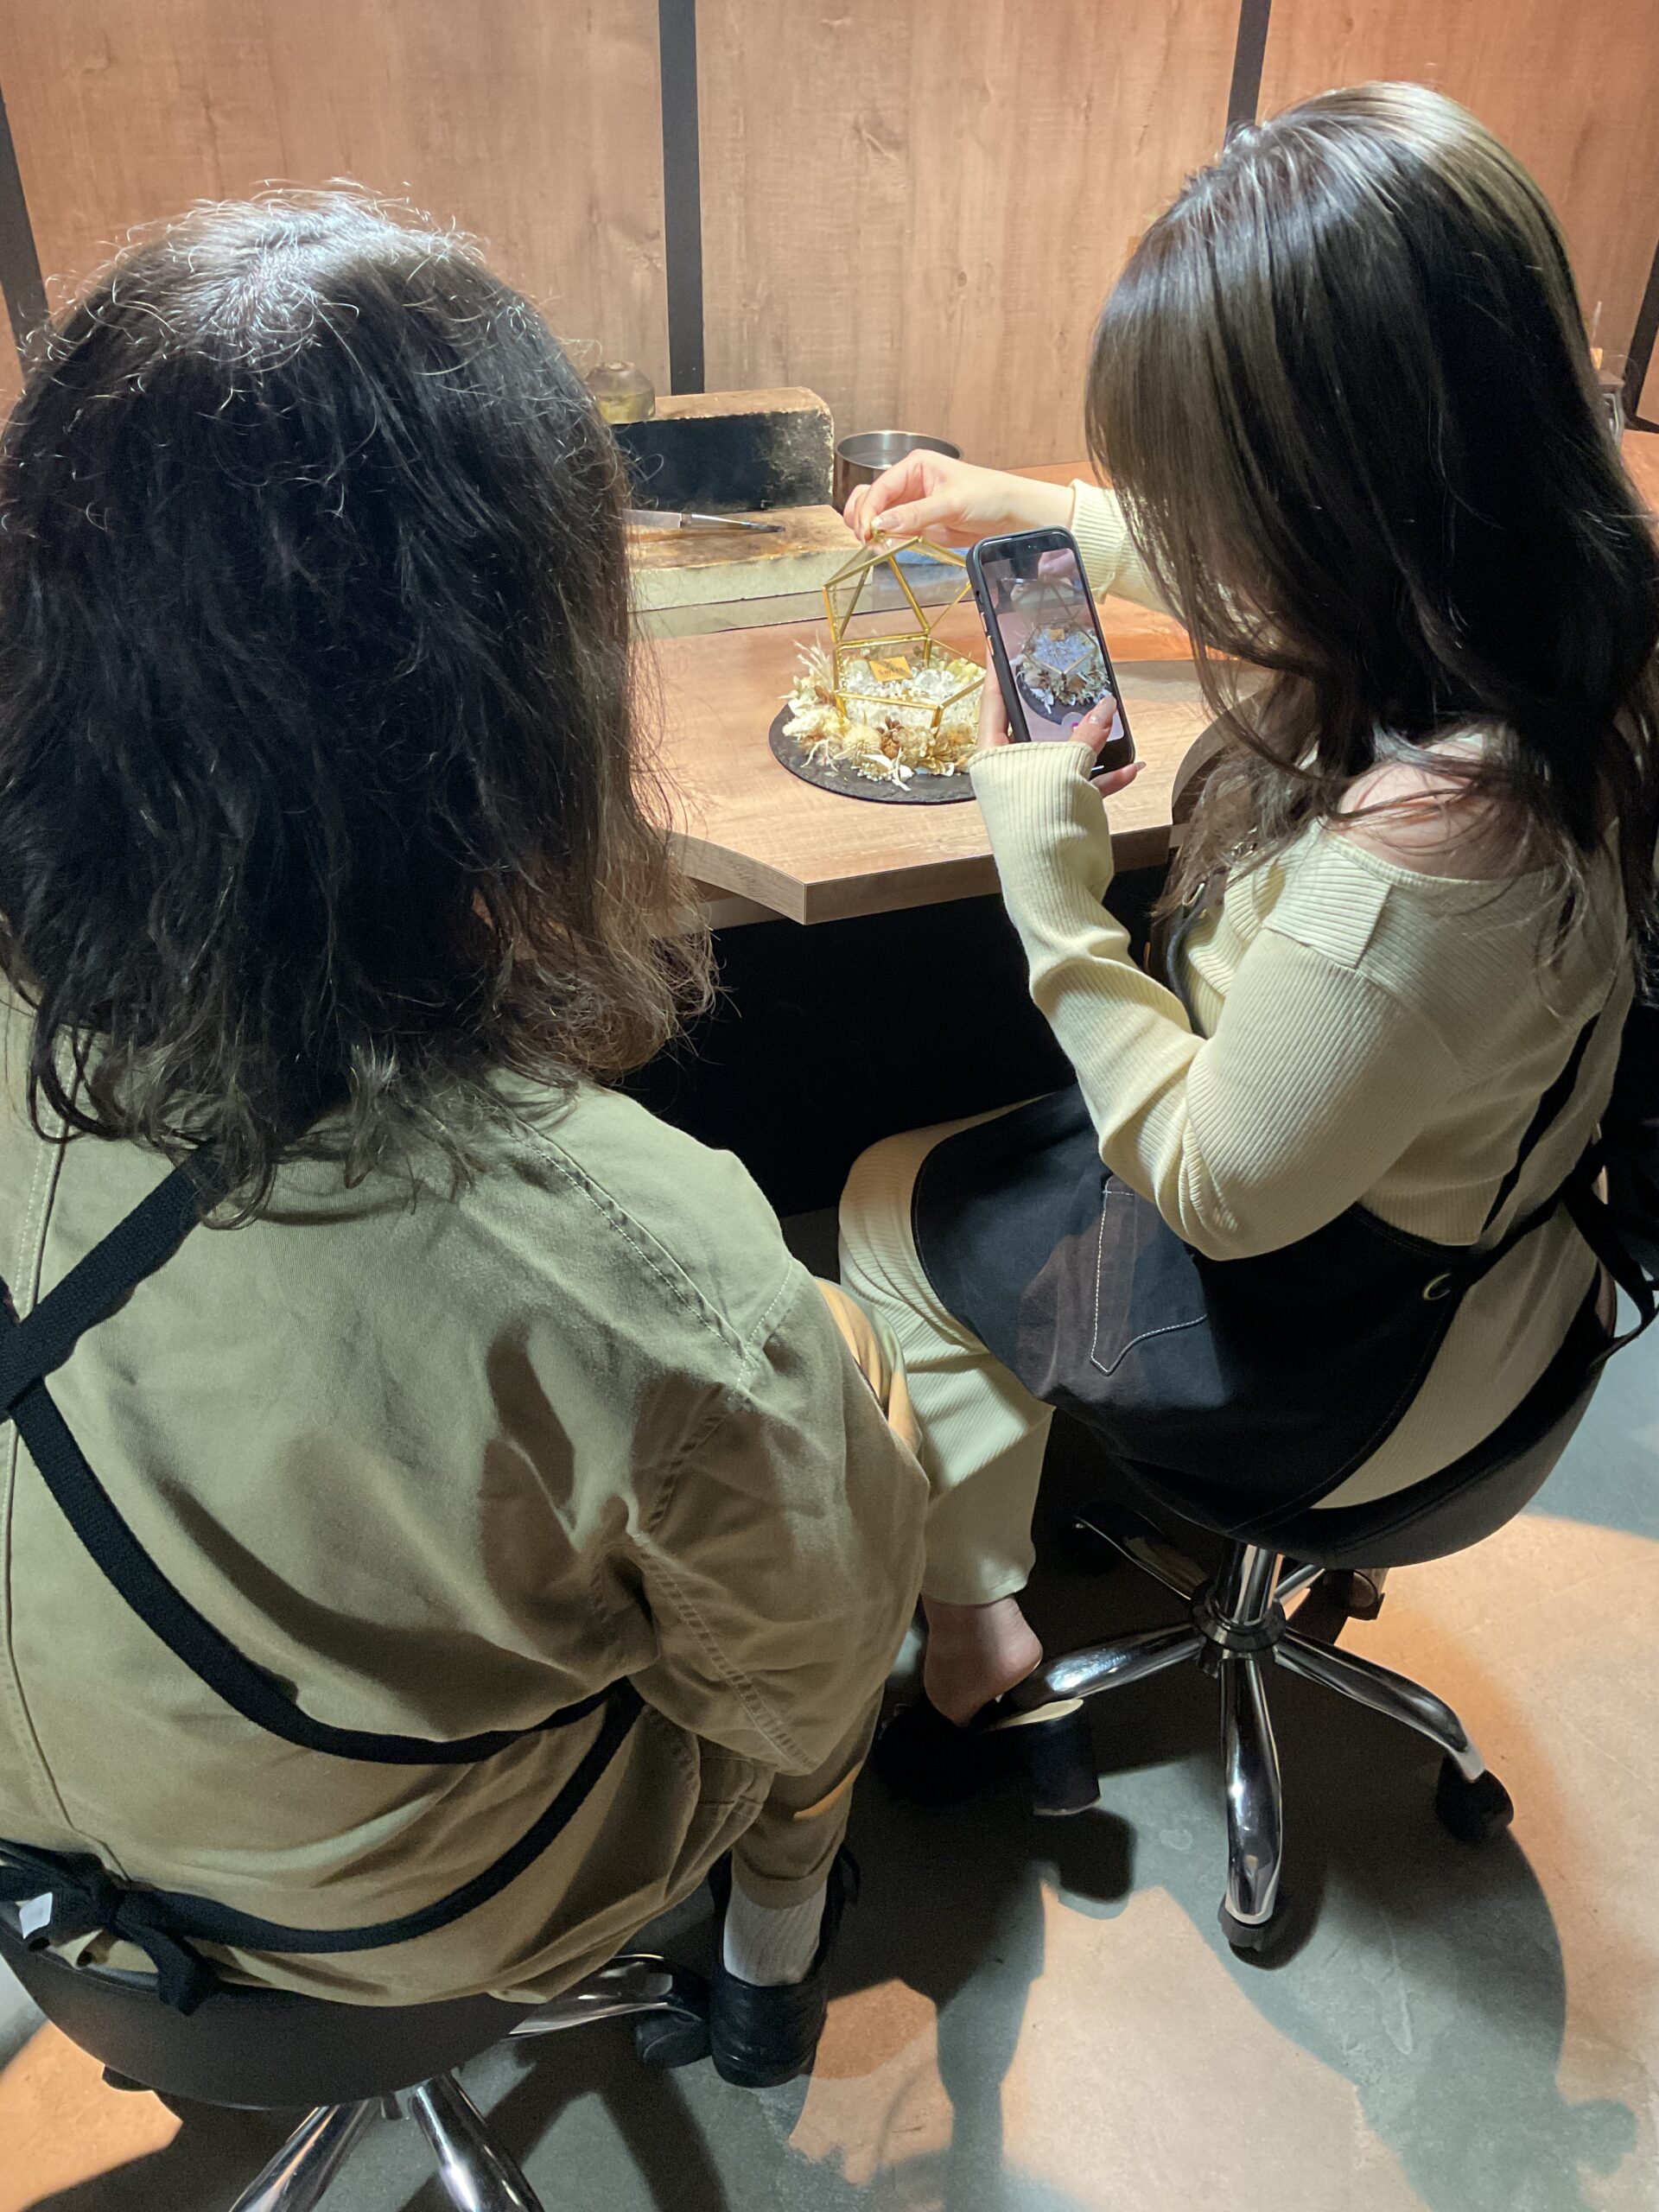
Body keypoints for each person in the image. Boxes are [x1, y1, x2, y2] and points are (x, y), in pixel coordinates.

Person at [0, 193, 929, 2088]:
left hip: (47, 1863)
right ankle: (772, 1941)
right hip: (420, 1910)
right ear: (515, 699)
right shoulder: (632, 1253)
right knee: (851, 1396)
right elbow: (780, 1680)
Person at [837, 84, 1657, 1790]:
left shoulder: (1437, 846)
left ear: (1333, 500)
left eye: (1204, 489)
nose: (1190, 527)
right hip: (1525, 1286)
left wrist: (1050, 884)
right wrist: (1032, 507)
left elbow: (1214, 1185)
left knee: (888, 1194)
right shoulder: (1572, 621)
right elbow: (1291, 568)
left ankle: (978, 1629)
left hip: (1361, 1364)